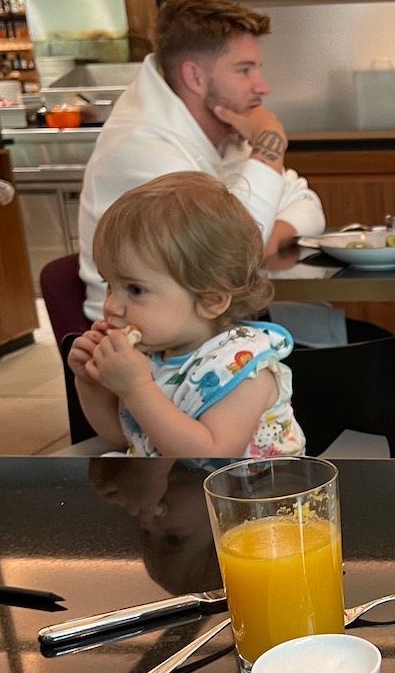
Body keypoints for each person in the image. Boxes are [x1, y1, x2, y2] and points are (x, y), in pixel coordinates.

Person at [76, 0, 326, 325]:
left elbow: (307, 203)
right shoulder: (141, 146)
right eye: (244, 70)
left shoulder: (222, 133)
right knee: (377, 359)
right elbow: (229, 259)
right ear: (194, 77)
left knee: (373, 346)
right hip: (149, 354)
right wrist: (271, 148)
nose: (262, 86)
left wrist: (263, 238)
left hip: (217, 331)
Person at [67, 172, 305, 459]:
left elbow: (212, 454)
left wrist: (136, 389)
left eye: (135, 289)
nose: (111, 307)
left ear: (211, 300)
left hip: (248, 497)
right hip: (175, 493)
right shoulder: (153, 356)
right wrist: (91, 383)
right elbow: (125, 437)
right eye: (109, 286)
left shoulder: (242, 369)